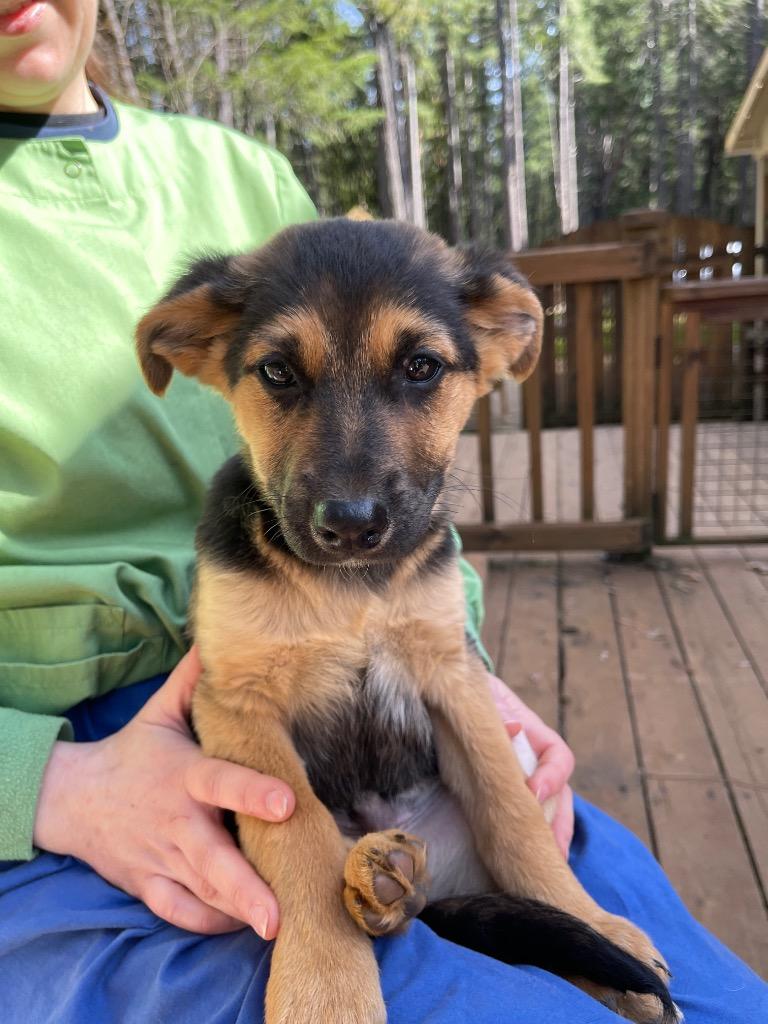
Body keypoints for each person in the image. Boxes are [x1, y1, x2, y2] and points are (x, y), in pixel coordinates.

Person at [0, 3, 764, 1022]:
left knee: (712, 1001)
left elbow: (434, 630)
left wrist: (467, 668)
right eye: (283, 375)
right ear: (188, 350)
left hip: (415, 728)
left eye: (418, 370)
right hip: (84, 784)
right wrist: (43, 781)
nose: (352, 490)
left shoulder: (244, 173)